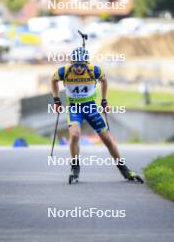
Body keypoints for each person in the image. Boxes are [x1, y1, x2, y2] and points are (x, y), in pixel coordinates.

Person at [51, 47, 143, 183]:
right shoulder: (64, 71)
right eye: (75, 65)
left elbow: (104, 81)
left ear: (86, 63)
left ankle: (124, 169)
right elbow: (53, 80)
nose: (78, 68)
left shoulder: (94, 70)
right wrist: (56, 100)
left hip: (91, 107)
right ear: (72, 63)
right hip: (74, 108)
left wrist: (104, 100)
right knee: (75, 135)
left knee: (107, 140)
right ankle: (75, 168)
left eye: (81, 65)